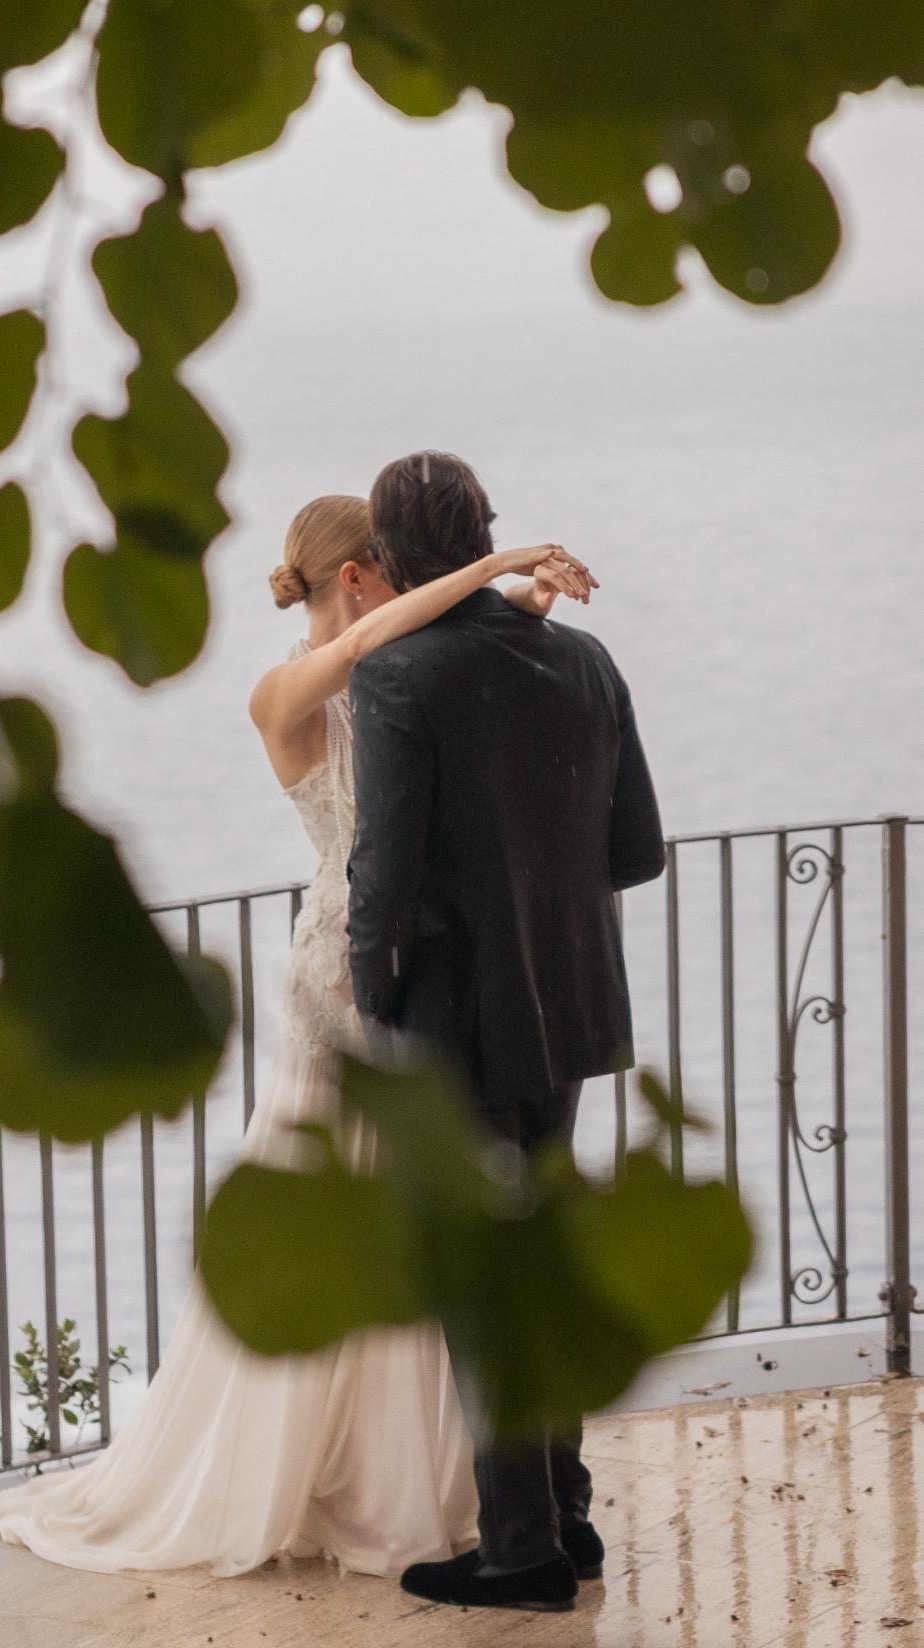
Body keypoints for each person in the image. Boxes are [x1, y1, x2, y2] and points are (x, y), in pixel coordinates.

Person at [0, 492, 594, 1577]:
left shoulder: (395, 672)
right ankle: (304, 1469)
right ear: (355, 578)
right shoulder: (288, 690)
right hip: (342, 974)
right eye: (392, 566)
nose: (405, 586)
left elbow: (439, 663)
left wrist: (525, 602)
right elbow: (384, 642)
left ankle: (427, 1475)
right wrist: (500, 569)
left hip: (418, 968)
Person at [347, 452, 666, 1616]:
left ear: (385, 560)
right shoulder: (585, 660)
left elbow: (382, 877)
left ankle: (522, 1550)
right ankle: (565, 1518)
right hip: (570, 1003)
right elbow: (636, 851)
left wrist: (372, 998)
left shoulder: (399, 678)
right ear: (486, 528)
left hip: (453, 1020)